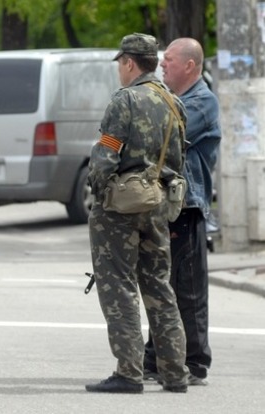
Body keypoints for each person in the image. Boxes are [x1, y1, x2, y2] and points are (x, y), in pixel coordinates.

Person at [85, 33, 190, 394]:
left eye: (120, 62)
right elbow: (179, 159)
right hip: (159, 203)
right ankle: (176, 372)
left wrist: (98, 197)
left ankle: (129, 372)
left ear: (129, 62)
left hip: (121, 207)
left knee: (119, 287)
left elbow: (105, 157)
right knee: (160, 287)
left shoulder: (125, 100)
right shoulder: (173, 102)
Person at [143, 37, 220, 386]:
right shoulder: (172, 99)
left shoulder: (202, 102)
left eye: (169, 60)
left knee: (186, 288)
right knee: (162, 284)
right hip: (166, 205)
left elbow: (165, 136)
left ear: (189, 65)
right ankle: (158, 357)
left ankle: (193, 360)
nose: (163, 65)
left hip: (186, 208)